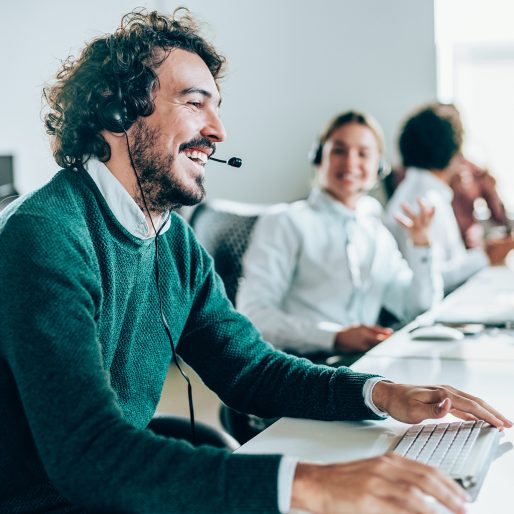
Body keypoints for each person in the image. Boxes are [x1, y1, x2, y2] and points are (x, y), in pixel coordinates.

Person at [0, 9, 510, 514]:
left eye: (217, 107)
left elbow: (249, 368)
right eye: (195, 103)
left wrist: (379, 394)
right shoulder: (46, 235)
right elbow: (88, 454)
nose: (218, 130)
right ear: (119, 112)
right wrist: (305, 485)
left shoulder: (171, 239)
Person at [237, 111, 443, 357]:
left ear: (379, 167)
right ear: (318, 158)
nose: (350, 162)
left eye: (363, 154)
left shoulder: (376, 232)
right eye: (339, 151)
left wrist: (421, 246)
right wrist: (334, 338)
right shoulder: (286, 222)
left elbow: (416, 308)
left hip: (360, 367)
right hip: (298, 368)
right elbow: (255, 317)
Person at [385, 103, 514, 293]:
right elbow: (431, 279)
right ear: (455, 152)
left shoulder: (419, 191)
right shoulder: (425, 201)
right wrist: (486, 256)